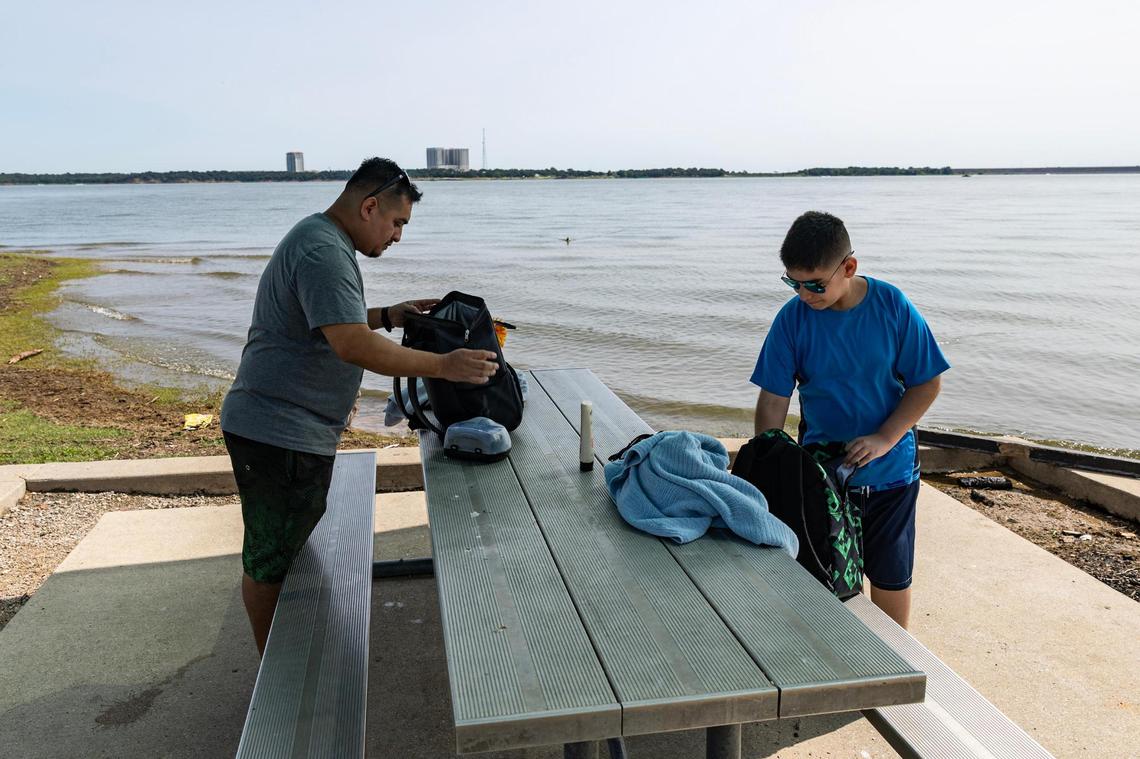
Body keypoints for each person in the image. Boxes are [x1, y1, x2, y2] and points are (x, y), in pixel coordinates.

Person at [220, 157, 499, 655]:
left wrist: (388, 315)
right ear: (369, 206)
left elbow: (328, 319)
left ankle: (288, 646)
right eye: (397, 223)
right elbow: (352, 345)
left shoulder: (320, 239)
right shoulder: (324, 251)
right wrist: (445, 366)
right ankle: (277, 674)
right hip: (277, 432)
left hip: (285, 429)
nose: (397, 237)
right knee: (268, 558)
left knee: (285, 542)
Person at [750, 211, 950, 629]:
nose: (805, 294)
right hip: (822, 478)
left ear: (849, 267)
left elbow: (927, 384)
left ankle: (895, 662)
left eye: (816, 284)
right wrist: (771, 462)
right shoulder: (793, 319)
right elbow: (773, 398)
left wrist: (884, 437)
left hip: (889, 472)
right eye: (794, 283)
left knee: (890, 576)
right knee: (825, 573)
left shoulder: (891, 305)